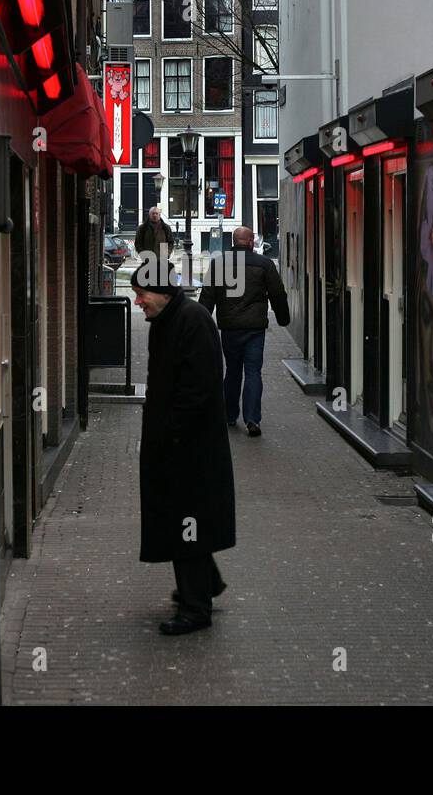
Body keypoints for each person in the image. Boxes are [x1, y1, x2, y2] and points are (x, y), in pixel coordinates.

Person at [131, 267, 235, 635]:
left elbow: (200, 387)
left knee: (186, 522)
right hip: (178, 445)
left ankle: (195, 610)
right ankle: (207, 583)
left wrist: (173, 433)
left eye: (142, 293)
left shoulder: (192, 321)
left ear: (162, 291)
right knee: (185, 520)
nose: (138, 301)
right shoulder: (171, 319)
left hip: (190, 449)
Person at [198, 226, 290, 437]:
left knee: (232, 371)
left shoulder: (219, 264)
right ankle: (252, 419)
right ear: (250, 242)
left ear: (233, 241)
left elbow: (208, 296)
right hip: (255, 329)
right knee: (253, 372)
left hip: (230, 328)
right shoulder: (264, 264)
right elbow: (277, 294)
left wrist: (201, 326)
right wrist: (284, 318)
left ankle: (229, 415)